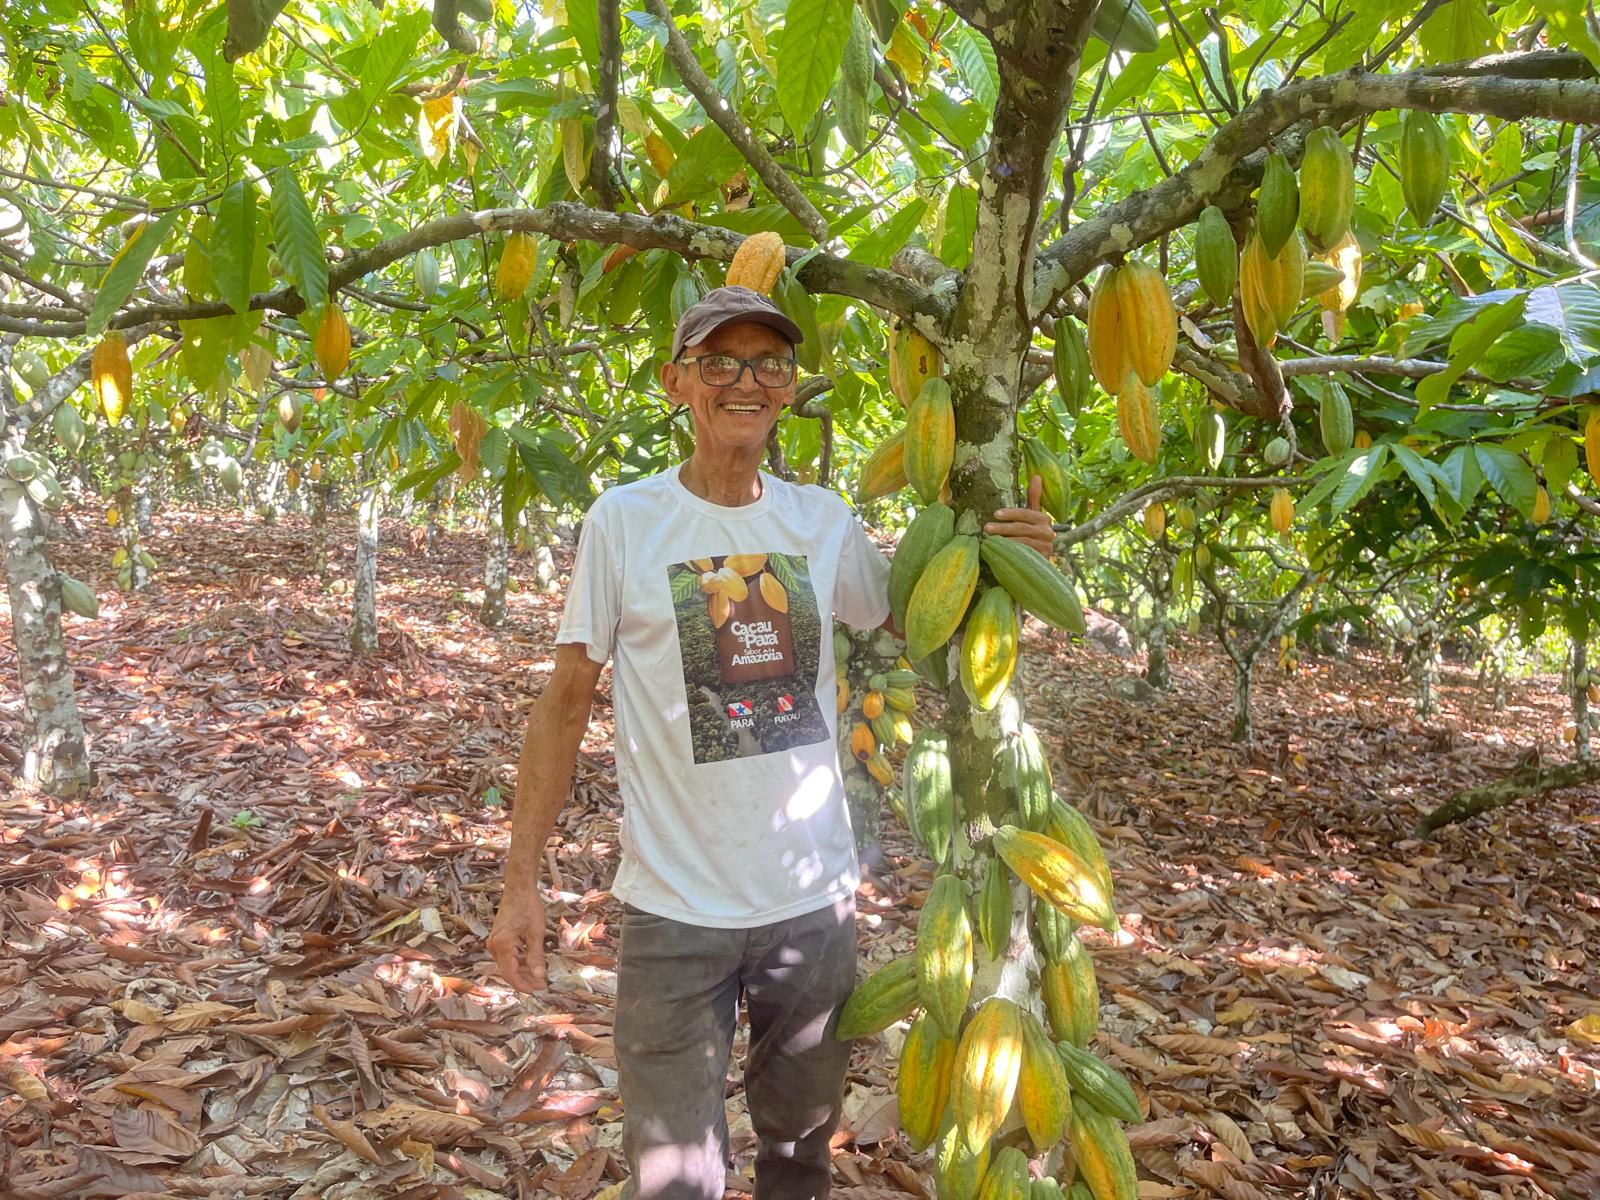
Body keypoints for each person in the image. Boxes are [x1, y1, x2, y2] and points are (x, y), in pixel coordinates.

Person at [488, 286, 1055, 1200]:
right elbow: (562, 707)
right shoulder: (625, 522)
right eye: (720, 362)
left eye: (770, 364)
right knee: (675, 1177)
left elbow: (919, 618)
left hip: (810, 908)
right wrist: (520, 888)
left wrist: (1004, 553)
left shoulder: (821, 520)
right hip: (674, 912)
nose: (746, 381)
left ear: (790, 389)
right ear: (678, 382)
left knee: (800, 1153)